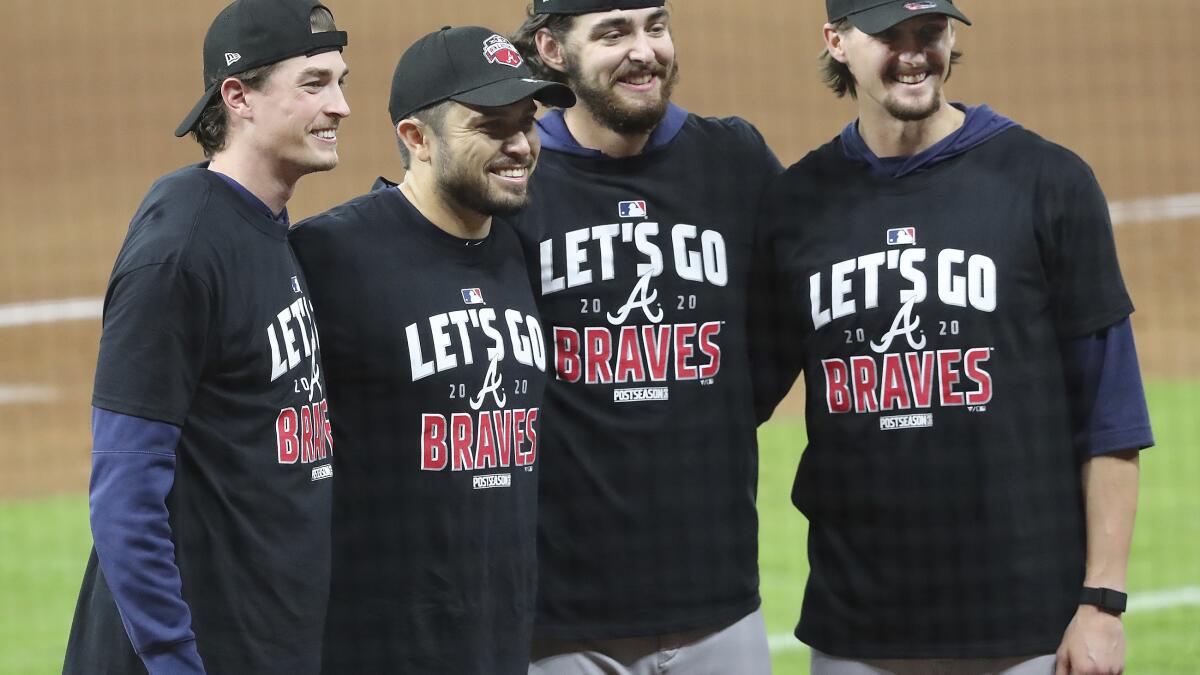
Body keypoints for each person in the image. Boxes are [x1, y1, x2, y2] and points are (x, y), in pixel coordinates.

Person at [753, 1, 1155, 673]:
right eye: (889, 35)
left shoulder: (1048, 181)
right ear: (837, 42)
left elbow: (1110, 413)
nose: (914, 53)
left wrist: (1102, 603)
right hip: (857, 630)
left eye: (930, 32)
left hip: (1027, 627)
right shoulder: (797, 204)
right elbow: (739, 395)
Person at [61, 1, 348, 673]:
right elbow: (124, 494)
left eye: (341, 81)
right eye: (314, 84)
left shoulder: (265, 230)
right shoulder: (181, 250)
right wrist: (174, 660)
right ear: (238, 96)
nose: (340, 106)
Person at [288, 26, 574, 674]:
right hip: (372, 649)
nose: (519, 145)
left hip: (495, 648)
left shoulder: (519, 250)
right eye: (490, 126)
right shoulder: (330, 258)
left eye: (526, 123)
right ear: (416, 138)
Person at [509, 2, 782, 672]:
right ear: (551, 48)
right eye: (612, 33)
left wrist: (713, 402)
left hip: (718, 603)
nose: (644, 51)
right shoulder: (517, 177)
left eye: (654, 26)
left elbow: (788, 324)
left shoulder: (734, 160)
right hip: (561, 622)